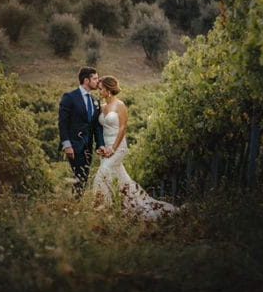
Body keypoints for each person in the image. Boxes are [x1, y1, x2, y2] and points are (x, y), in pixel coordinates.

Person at [92, 75, 180, 220]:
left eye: (101, 89)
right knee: (120, 178)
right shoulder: (102, 108)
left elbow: (122, 128)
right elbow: (99, 130)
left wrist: (113, 148)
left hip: (118, 147)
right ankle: (127, 206)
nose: (99, 92)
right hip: (106, 149)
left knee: (102, 174)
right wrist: (102, 147)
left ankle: (101, 210)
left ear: (108, 89)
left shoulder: (120, 105)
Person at [58, 66, 105, 196]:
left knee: (84, 175)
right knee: (79, 174)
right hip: (74, 145)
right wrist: (67, 145)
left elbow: (96, 126)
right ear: (86, 80)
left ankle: (76, 203)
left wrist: (100, 144)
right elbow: (63, 123)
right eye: (95, 78)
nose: (98, 81)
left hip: (88, 146)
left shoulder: (95, 101)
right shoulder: (70, 97)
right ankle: (75, 202)